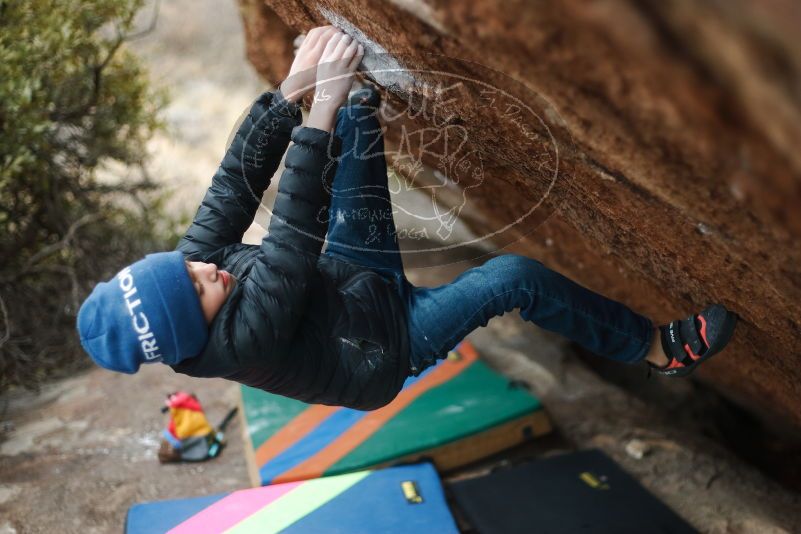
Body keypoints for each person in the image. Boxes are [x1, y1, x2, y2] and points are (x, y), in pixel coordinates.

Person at [77, 27, 738, 411]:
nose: (200, 266)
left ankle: (358, 94)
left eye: (183, 265)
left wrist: (291, 92)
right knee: (512, 276)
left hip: (346, 279)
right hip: (386, 346)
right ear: (197, 330)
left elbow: (232, 188)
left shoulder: (192, 272)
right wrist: (317, 107)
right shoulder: (241, 340)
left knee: (356, 118)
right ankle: (655, 348)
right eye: (196, 287)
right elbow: (289, 238)